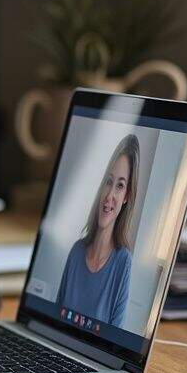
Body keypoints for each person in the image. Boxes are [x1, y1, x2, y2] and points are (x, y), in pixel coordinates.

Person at [55, 134, 140, 327]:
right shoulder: (76, 251)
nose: (110, 195)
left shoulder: (123, 261)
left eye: (119, 185)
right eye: (108, 182)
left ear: (126, 196)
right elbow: (55, 319)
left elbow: (113, 339)